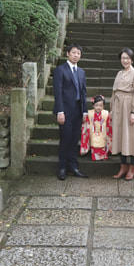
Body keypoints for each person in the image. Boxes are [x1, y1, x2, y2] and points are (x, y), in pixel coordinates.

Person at [53, 43, 88, 180]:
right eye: (73, 52)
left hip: (78, 111)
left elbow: (83, 93)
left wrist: (84, 112)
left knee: (74, 140)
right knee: (65, 140)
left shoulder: (81, 72)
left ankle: (73, 167)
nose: (76, 55)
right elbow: (58, 92)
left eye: (78, 53)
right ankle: (62, 168)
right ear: (68, 53)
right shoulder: (60, 70)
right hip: (65, 111)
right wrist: (59, 111)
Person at [110, 47, 134, 181]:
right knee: (120, 136)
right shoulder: (119, 73)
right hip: (118, 106)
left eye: (127, 58)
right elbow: (114, 92)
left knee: (131, 137)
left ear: (132, 59)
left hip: (129, 106)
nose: (125, 60)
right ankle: (123, 166)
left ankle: (132, 167)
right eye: (123, 58)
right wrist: (112, 108)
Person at [80, 94, 112, 161]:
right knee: (94, 142)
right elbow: (86, 123)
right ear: (93, 105)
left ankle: (103, 155)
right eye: (96, 105)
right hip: (93, 132)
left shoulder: (106, 113)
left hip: (102, 132)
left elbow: (109, 123)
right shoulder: (90, 113)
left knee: (102, 142)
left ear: (103, 106)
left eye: (101, 106)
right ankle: (95, 156)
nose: (98, 107)